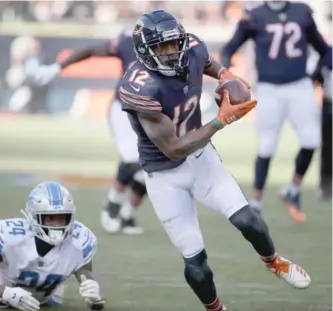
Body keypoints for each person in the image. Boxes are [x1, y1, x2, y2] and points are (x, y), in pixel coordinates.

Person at [119, 9, 311, 311]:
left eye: (174, 44)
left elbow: (207, 62)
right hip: (164, 175)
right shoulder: (141, 86)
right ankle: (216, 309)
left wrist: (225, 75)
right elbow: (174, 149)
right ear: (145, 51)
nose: (171, 53)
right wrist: (221, 121)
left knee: (248, 220)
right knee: (197, 264)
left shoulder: (193, 47)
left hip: (200, 158)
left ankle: (275, 262)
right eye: (162, 47)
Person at [220, 1, 331, 223]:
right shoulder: (254, 14)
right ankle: (257, 201)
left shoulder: (301, 11)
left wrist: (319, 73)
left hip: (299, 85)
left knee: (311, 140)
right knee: (267, 144)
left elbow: (323, 49)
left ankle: (293, 188)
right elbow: (230, 47)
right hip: (269, 87)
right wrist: (225, 70)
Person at [34, 31, 145, 235]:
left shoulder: (176, 52)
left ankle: (127, 215)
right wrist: (59, 67)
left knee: (154, 166)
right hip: (125, 108)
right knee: (132, 157)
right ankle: (112, 203)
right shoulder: (130, 42)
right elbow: (92, 50)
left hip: (153, 113)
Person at [0, 181, 105, 311]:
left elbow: (84, 270)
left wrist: (93, 292)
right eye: (50, 218)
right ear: (33, 217)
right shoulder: (13, 238)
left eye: (63, 217)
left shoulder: (80, 240)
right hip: (0, 287)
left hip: (43, 295)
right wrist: (5, 293)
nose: (57, 224)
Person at [312, 47, 332, 200]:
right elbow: (315, 78)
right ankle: (326, 186)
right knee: (327, 150)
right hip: (329, 106)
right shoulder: (327, 54)